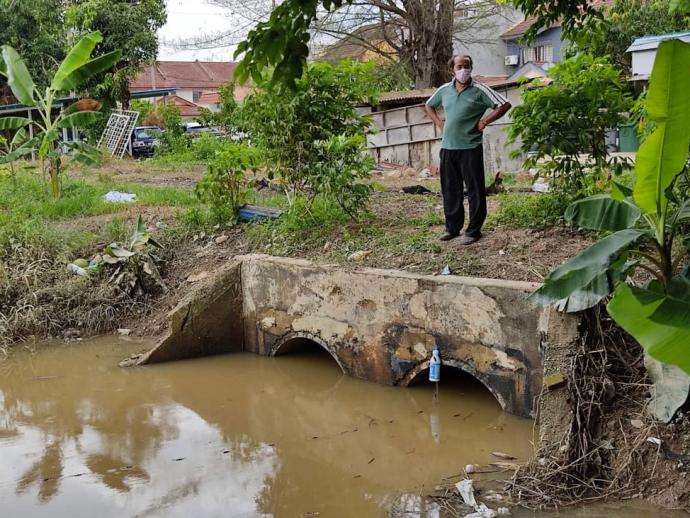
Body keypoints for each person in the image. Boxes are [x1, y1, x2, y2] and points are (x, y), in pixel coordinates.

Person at [424, 55, 511, 244]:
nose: (464, 70)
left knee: (475, 190)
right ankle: (452, 228)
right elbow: (429, 105)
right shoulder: (444, 90)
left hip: (470, 148)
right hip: (448, 147)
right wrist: (439, 122)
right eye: (460, 66)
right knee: (450, 190)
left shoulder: (479, 90)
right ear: (452, 70)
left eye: (467, 66)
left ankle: (474, 231)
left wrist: (484, 121)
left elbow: (504, 105)